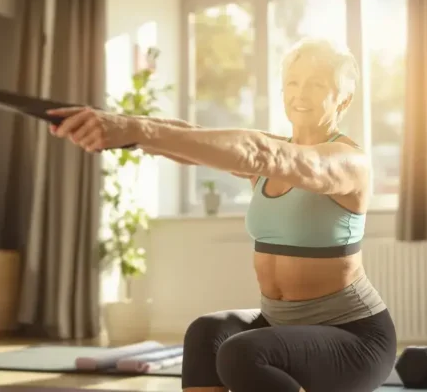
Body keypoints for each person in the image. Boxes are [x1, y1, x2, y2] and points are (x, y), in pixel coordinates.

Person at [46, 37, 397, 392]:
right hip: (281, 326)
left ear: (344, 99)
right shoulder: (274, 153)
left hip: (354, 338)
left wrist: (136, 130)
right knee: (205, 334)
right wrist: (120, 129)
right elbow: (194, 139)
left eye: (317, 84)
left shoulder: (349, 162)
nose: (300, 93)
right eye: (293, 82)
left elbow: (262, 154)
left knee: (241, 353)